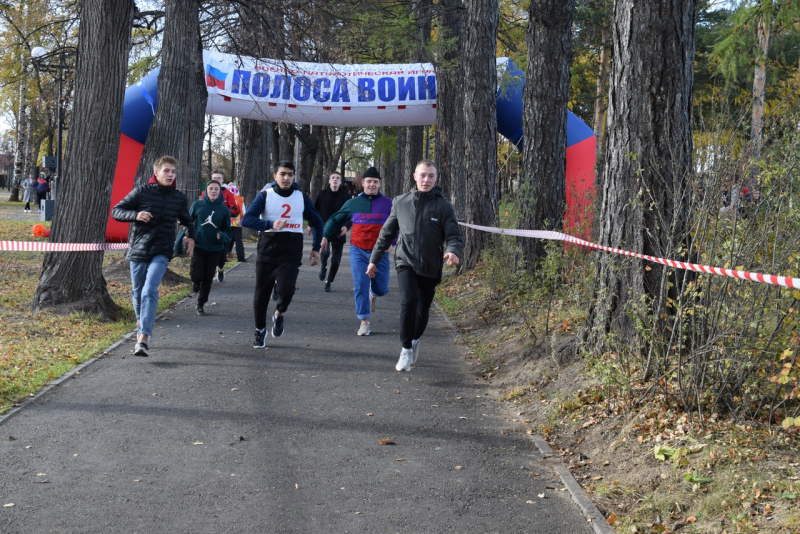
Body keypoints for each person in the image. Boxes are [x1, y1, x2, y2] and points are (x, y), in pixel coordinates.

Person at [368, 159, 463, 372]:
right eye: (422, 175)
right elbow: (386, 233)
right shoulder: (401, 202)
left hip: (430, 265)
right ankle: (405, 349)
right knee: (408, 301)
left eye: (430, 176)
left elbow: (454, 236)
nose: (426, 179)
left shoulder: (444, 206)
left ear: (436, 178)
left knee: (422, 310)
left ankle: (415, 340)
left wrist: (453, 251)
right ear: (415, 176)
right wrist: (373, 259)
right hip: (405, 261)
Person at [112, 156, 196, 357]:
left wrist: (191, 237)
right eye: (166, 171)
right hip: (139, 250)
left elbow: (187, 220)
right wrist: (136, 215)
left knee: (150, 290)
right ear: (156, 173)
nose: (170, 175)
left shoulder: (179, 198)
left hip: (161, 251)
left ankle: (143, 339)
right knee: (138, 291)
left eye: (173, 172)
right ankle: (142, 320)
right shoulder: (141, 192)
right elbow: (117, 211)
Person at [241, 161, 324, 349]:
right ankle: (260, 330)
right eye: (282, 174)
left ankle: (278, 313)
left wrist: (316, 248)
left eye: (290, 175)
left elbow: (318, 223)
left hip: (290, 253)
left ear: (295, 177)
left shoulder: (301, 197)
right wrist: (269, 224)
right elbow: (246, 220)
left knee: (286, 290)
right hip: (267, 252)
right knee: (261, 294)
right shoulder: (265, 195)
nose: (286, 178)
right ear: (275, 176)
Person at [321, 166, 393, 336]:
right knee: (360, 285)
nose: (372, 185)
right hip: (358, 250)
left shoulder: (389, 204)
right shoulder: (353, 203)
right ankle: (364, 322)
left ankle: (373, 293)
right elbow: (335, 219)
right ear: (362, 183)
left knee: (381, 289)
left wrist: (393, 242)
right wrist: (325, 236)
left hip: (380, 252)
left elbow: (398, 226)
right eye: (368, 181)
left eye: (375, 182)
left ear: (379, 184)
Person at [188, 181, 231, 316]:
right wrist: (179, 243)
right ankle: (195, 282)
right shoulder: (197, 205)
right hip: (199, 246)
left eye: (216, 189)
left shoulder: (224, 210)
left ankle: (200, 304)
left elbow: (228, 232)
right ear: (206, 190)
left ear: (220, 192)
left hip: (215, 248)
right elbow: (188, 224)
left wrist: (222, 235)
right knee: (197, 275)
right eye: (211, 189)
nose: (213, 191)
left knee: (208, 277)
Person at [308, 171, 352, 292]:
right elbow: (314, 210)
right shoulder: (322, 194)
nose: (335, 180)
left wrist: (346, 226)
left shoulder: (346, 196)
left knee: (336, 261)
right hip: (325, 228)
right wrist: (311, 224)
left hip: (339, 230)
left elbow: (351, 214)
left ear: (340, 181)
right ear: (329, 181)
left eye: (337, 178)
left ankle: (329, 281)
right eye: (333, 178)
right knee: (325, 253)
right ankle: (324, 266)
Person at [201, 169, 240, 282]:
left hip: (222, 227)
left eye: (219, 178)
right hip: (206, 227)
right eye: (214, 178)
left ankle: (221, 268)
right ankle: (205, 274)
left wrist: (222, 210)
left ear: (223, 180)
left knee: (222, 253)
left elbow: (235, 210)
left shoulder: (228, 193)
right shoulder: (205, 193)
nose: (216, 180)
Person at [226, 185, 247, 263]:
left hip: (228, 220)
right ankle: (240, 257)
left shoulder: (227, 199)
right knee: (238, 240)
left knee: (228, 238)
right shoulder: (240, 199)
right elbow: (243, 212)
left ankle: (225, 256)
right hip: (237, 220)